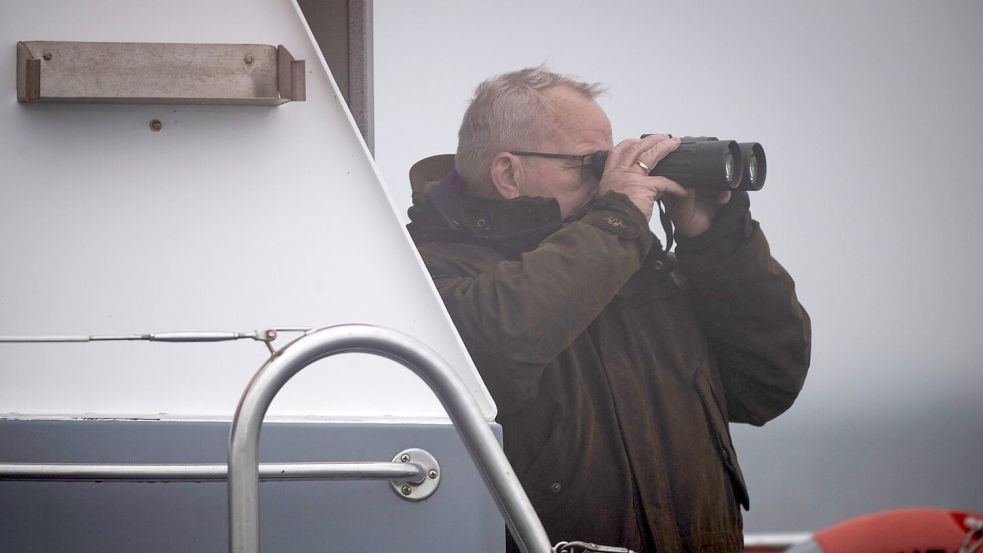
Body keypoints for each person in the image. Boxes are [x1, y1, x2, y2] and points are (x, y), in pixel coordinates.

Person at [406, 67, 811, 553]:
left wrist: (715, 242)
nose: (607, 179)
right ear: (508, 173)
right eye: (588, 163)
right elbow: (500, 345)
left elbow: (768, 383)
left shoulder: (637, 268)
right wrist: (617, 219)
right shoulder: (425, 275)